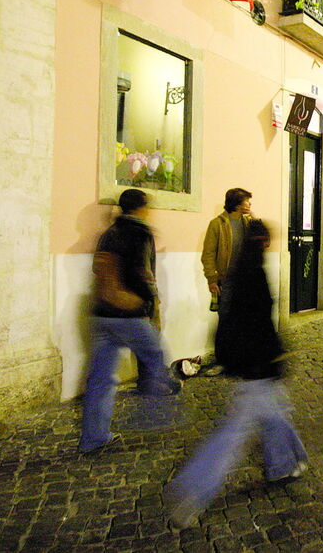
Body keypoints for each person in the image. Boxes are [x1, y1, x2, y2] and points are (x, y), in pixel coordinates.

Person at [166, 220, 308, 528]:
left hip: (248, 362)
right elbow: (260, 324)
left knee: (275, 413)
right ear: (263, 243)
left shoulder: (237, 271)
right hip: (256, 364)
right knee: (233, 434)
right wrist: (275, 356)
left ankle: (286, 464)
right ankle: (190, 492)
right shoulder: (254, 274)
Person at [79, 189, 178, 454]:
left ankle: (94, 437)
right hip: (129, 314)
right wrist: (149, 301)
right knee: (157, 358)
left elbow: (97, 268)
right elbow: (144, 272)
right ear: (141, 208)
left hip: (101, 314)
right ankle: (155, 415)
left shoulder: (108, 233)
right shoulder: (141, 233)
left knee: (101, 379)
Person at [202, 188, 253, 310]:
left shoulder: (247, 222)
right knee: (225, 316)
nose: (250, 204)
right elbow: (208, 254)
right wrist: (211, 279)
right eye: (246, 200)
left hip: (244, 279)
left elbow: (262, 242)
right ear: (237, 204)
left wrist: (253, 217)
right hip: (225, 280)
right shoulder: (217, 224)